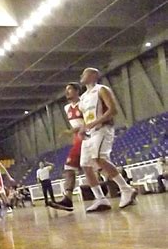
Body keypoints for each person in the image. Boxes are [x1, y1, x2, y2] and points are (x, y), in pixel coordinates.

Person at [78, 68, 137, 212]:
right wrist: (82, 128)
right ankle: (100, 199)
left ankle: (126, 189)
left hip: (103, 129)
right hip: (90, 133)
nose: (82, 76)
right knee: (85, 165)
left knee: (99, 158)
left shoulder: (102, 89)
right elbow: (86, 118)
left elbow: (113, 110)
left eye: (85, 73)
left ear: (94, 75)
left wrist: (95, 122)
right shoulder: (83, 97)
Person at [50, 83, 84, 212]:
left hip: (87, 137)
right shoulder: (66, 108)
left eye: (69, 89)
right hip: (78, 140)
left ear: (77, 91)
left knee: (99, 167)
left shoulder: (83, 103)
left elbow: (87, 122)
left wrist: (70, 131)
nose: (67, 92)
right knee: (70, 168)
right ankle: (68, 199)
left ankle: (125, 188)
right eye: (66, 90)